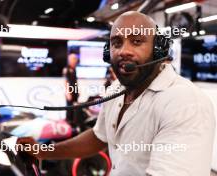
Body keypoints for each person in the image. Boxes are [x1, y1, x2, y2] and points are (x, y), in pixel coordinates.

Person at [17, 11, 215, 176]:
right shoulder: (117, 90)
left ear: (158, 50)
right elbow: (99, 137)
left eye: (137, 41)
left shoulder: (185, 103)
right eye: (117, 43)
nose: (123, 51)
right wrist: (43, 151)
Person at [62, 53, 79, 125]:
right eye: (73, 59)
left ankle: (73, 121)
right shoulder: (66, 69)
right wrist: (68, 92)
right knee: (69, 107)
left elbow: (75, 80)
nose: (75, 61)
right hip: (69, 91)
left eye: (76, 59)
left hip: (74, 90)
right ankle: (68, 121)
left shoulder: (74, 69)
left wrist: (78, 90)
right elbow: (65, 82)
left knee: (74, 107)